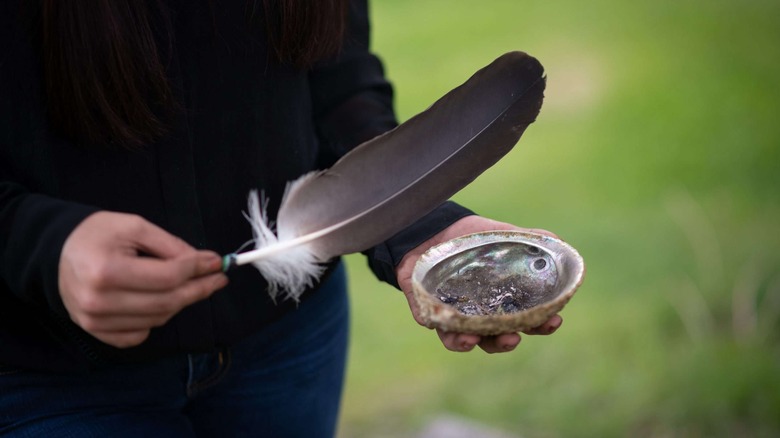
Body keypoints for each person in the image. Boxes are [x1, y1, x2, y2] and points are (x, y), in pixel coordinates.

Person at [0, 0, 562, 436]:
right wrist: (40, 242)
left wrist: (419, 223)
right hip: (47, 371)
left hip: (290, 344)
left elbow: (332, 72)